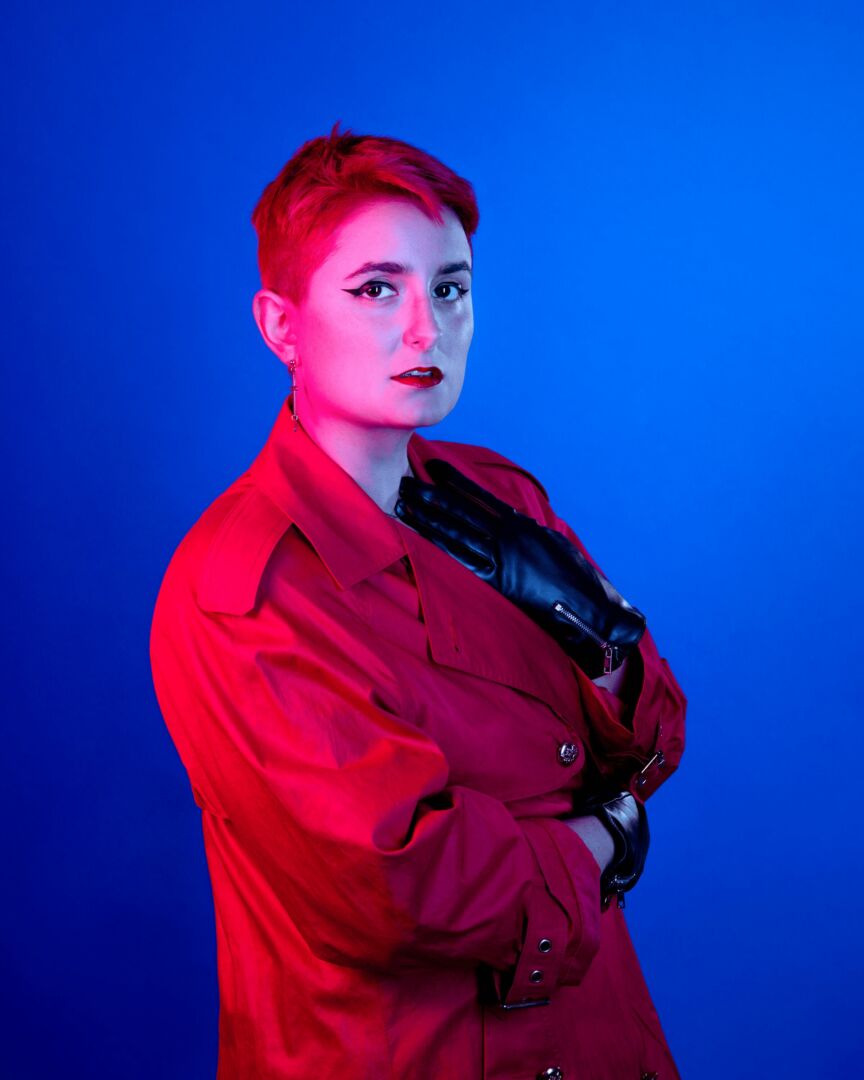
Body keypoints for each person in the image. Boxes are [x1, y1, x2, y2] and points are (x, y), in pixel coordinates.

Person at [150, 123, 688, 1080]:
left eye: (450, 288)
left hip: (602, 1036)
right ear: (280, 325)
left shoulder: (500, 496)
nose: (425, 330)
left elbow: (652, 743)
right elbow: (401, 885)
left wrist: (603, 643)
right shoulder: (242, 588)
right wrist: (601, 841)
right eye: (376, 289)